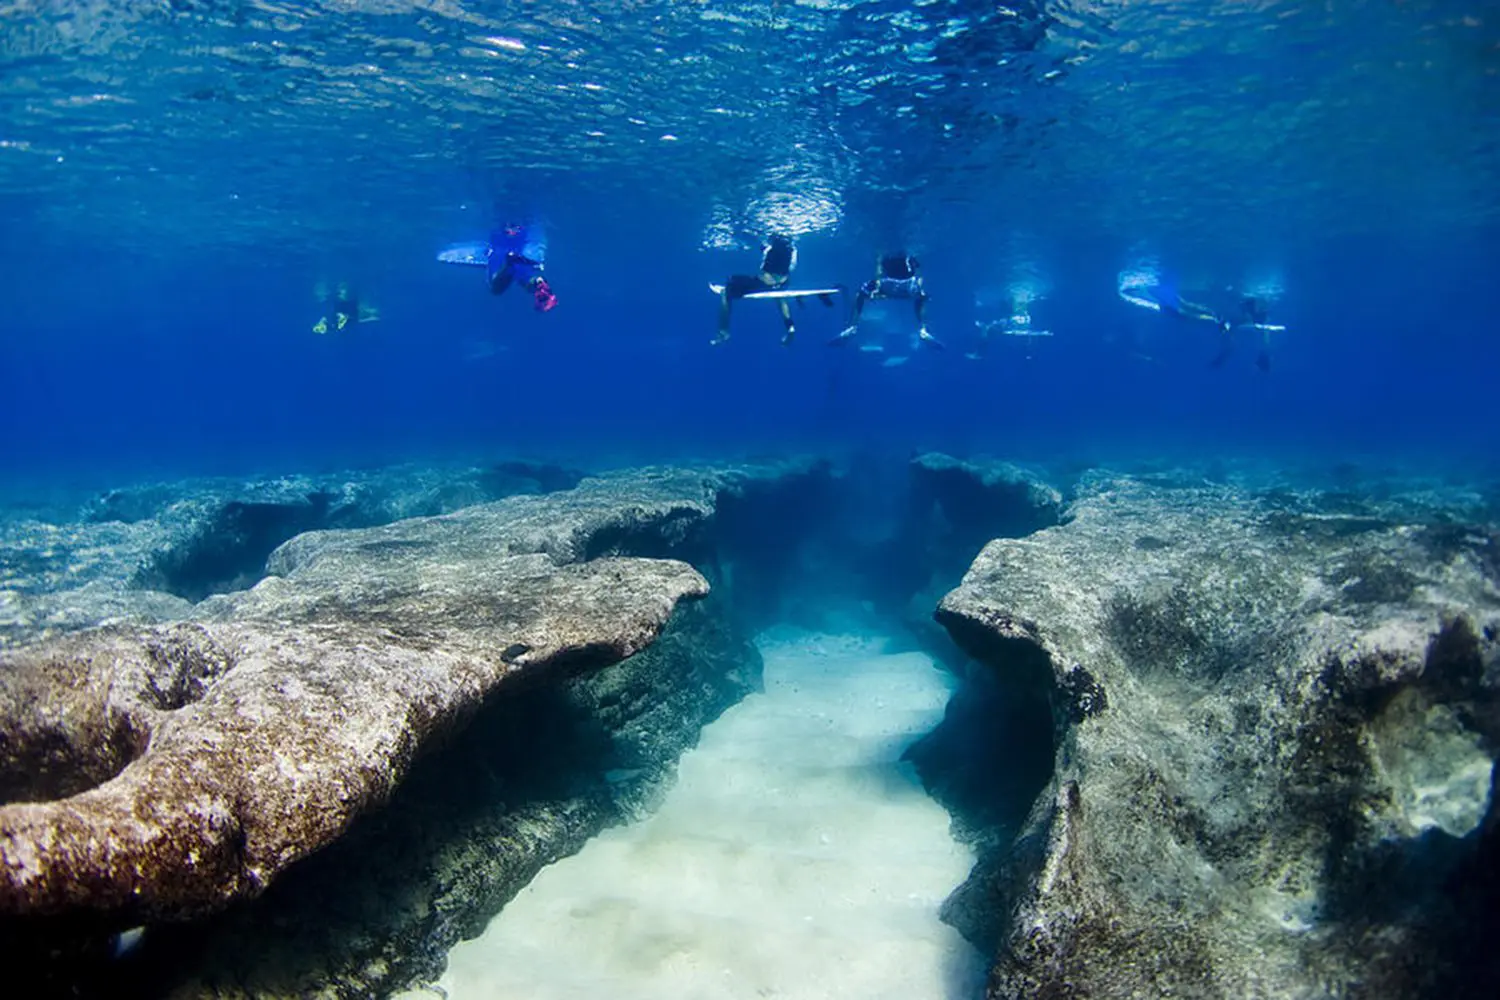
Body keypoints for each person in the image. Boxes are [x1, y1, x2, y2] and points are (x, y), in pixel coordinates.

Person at [830, 252, 940, 347]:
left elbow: (879, 271)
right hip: (907, 285)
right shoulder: (910, 254)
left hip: (887, 284)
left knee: (860, 294)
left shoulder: (884, 252)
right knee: (920, 298)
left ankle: (853, 326)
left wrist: (877, 289)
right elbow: (919, 273)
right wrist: (920, 289)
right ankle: (924, 329)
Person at [713, 234, 798, 346]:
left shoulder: (769, 249)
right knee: (780, 298)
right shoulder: (793, 250)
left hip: (764, 283)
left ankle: (723, 330)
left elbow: (762, 267)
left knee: (727, 289)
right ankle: (790, 327)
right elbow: (792, 267)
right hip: (783, 283)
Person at [486, 223, 556, 312]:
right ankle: (536, 281)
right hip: (515, 249)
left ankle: (533, 280)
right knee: (517, 274)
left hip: (507, 249)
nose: (512, 231)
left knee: (496, 288)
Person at [312, 281, 379, 334]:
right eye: (338, 288)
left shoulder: (360, 303)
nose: (338, 291)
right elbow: (337, 325)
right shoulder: (337, 305)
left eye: (342, 288)